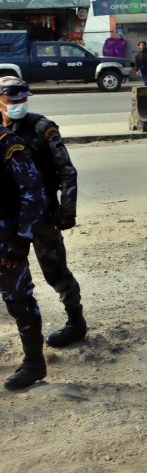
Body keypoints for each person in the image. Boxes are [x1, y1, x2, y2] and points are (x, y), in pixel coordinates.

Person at [0, 77, 86, 347]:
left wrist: (67, 209)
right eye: (13, 100)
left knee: (55, 271)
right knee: (12, 275)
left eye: (23, 99)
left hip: (43, 214)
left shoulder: (42, 127)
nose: (19, 105)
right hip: (10, 217)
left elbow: (66, 170)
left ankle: (75, 321)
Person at [0, 123, 48, 390]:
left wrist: (23, 237)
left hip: (5, 234)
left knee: (17, 298)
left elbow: (33, 190)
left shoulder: (7, 142)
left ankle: (34, 363)